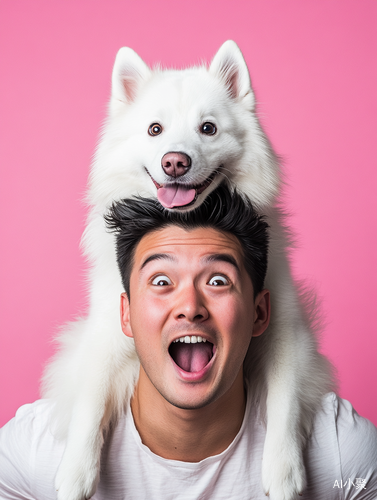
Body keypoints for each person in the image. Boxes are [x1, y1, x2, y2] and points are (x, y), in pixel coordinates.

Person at [0, 185, 376, 499]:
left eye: (217, 281)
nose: (190, 307)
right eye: (162, 282)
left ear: (260, 313)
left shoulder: (341, 453)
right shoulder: (37, 453)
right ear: (126, 315)